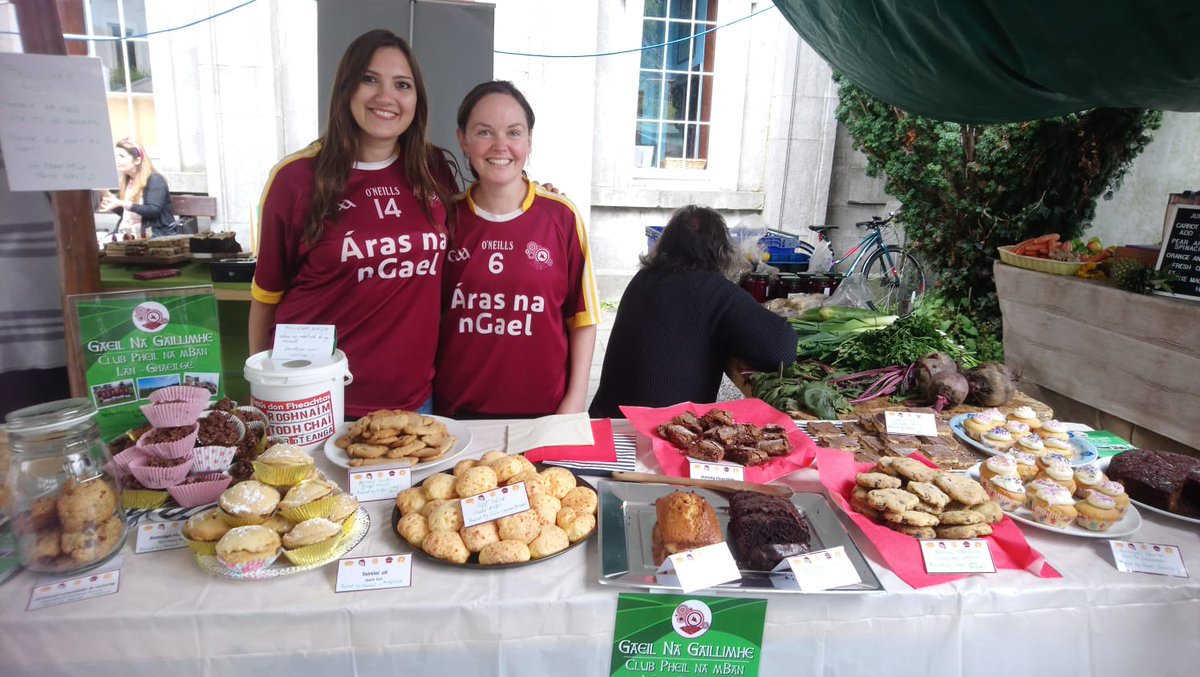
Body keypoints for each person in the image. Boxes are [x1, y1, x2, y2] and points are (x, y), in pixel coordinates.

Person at [249, 30, 458, 417]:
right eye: (369, 79)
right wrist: (265, 398)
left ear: (417, 99)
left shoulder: (433, 170)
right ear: (346, 87)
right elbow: (266, 299)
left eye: (402, 84)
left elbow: (484, 215)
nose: (386, 97)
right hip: (313, 401)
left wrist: (534, 191)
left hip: (413, 403)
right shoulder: (296, 179)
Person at [434, 81, 599, 418]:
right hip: (457, 414)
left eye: (513, 132)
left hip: (544, 414)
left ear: (529, 141)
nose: (500, 146)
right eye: (484, 132)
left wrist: (574, 402)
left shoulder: (561, 216)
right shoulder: (444, 219)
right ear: (462, 139)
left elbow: (582, 319)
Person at [588, 205, 798, 418]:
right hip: (652, 434)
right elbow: (782, 349)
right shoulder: (711, 290)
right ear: (722, 250)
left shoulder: (643, 279)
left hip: (605, 420)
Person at [98, 138, 176, 237]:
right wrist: (105, 194)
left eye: (122, 156)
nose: (116, 160)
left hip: (152, 235)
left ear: (137, 160)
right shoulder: (128, 181)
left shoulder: (155, 180)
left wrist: (122, 203)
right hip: (127, 233)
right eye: (115, 156)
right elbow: (126, 213)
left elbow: (153, 211)